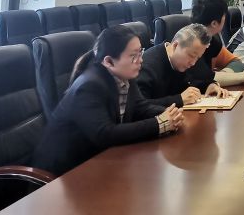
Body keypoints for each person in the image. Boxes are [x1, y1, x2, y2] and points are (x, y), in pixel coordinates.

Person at [31, 25, 183, 176]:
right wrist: (159, 124)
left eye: (140, 52)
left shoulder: (125, 74)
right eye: (133, 56)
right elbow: (105, 134)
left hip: (100, 160)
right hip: (65, 173)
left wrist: (169, 114)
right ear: (109, 61)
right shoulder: (89, 86)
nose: (140, 60)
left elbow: (139, 106)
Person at [189, 0, 244, 89]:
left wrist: (224, 76)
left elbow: (236, 62)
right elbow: (204, 79)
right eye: (224, 16)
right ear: (214, 23)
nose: (225, 19)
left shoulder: (210, 39)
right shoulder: (191, 43)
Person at [137, 23, 214, 106]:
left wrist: (209, 86)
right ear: (175, 46)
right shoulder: (147, 66)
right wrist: (179, 99)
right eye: (191, 56)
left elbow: (192, 82)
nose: (193, 63)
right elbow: (139, 106)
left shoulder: (183, 60)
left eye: (198, 58)